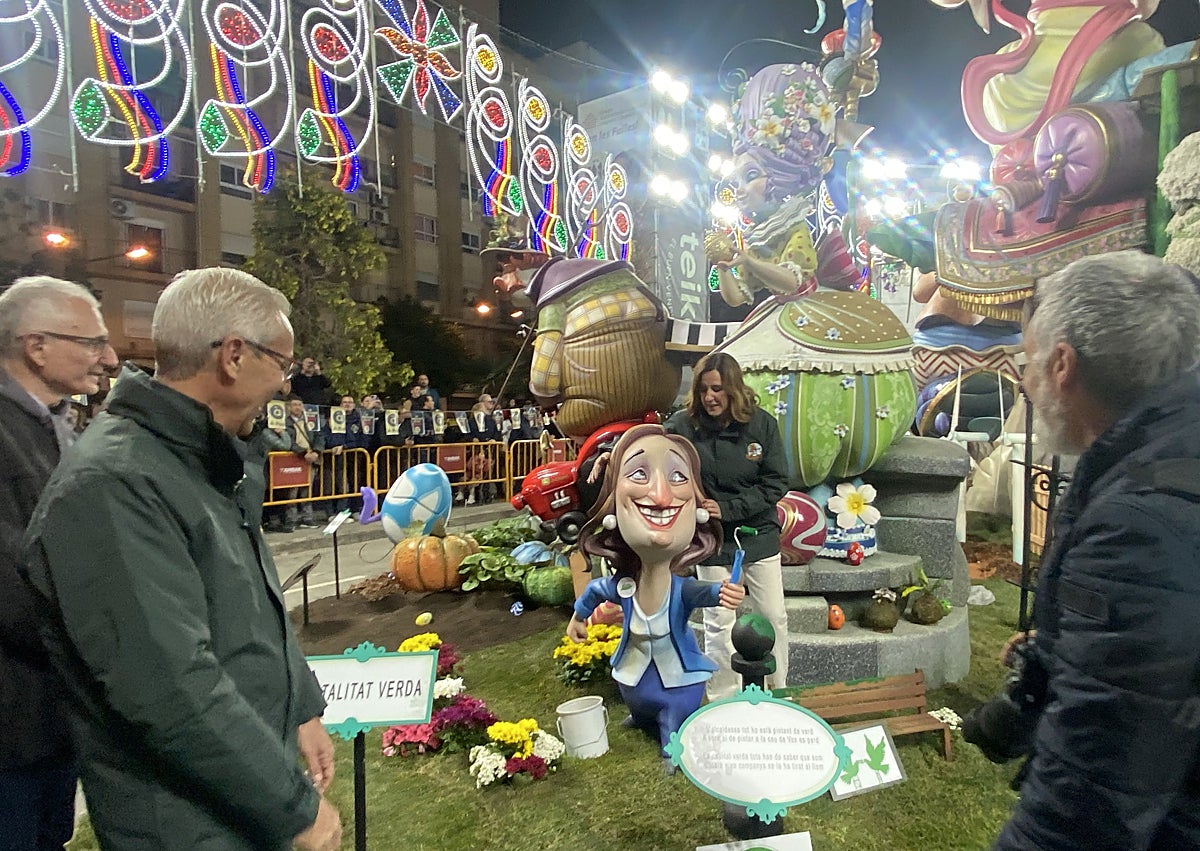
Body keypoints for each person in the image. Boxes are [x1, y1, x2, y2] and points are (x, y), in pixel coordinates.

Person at [19, 267, 342, 851]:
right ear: (234, 356)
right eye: (283, 364)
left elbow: (247, 604)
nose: (285, 384)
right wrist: (292, 808)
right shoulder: (113, 483)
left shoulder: (201, 456)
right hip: (183, 819)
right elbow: (167, 686)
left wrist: (300, 706)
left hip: (231, 797)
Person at [987, 251, 1200, 849]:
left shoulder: (1141, 523)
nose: (1026, 383)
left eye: (1027, 362)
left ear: (1062, 365)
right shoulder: (1156, 458)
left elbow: (1091, 794)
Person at [0, 276, 118, 851]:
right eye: (92, 342)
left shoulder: (59, 425)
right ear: (36, 345)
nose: (109, 357)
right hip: (12, 724)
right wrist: (102, 638)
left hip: (53, 715)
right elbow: (15, 588)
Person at [571, 424, 744, 769]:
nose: (662, 496)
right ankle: (641, 714)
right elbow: (594, 591)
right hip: (635, 674)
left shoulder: (680, 589)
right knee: (633, 690)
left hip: (676, 677)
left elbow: (704, 592)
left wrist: (723, 592)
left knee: (675, 705)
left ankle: (672, 736)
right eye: (638, 473)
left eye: (678, 477)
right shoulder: (624, 586)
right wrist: (578, 617)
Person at [665, 352, 791, 700]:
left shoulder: (761, 425)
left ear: (733, 389)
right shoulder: (682, 426)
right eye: (704, 389)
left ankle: (778, 692)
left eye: (717, 389)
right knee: (719, 623)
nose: (710, 397)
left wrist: (729, 508)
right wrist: (610, 456)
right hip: (712, 543)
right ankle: (723, 698)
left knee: (772, 616)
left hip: (758, 538)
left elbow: (776, 482)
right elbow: (651, 451)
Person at [321, 394, 368, 514]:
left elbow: (361, 440)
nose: (347, 404)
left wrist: (346, 447)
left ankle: (350, 510)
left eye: (350, 402)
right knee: (330, 487)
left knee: (350, 486)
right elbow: (323, 439)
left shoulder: (358, 420)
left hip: (353, 458)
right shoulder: (332, 420)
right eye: (344, 402)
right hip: (333, 460)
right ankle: (331, 513)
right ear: (340, 405)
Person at [284, 394, 324, 529]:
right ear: (289, 407)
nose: (297, 407)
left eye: (300, 405)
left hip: (310, 459)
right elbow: (288, 441)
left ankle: (307, 518)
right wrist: (303, 452)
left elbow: (319, 437)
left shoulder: (310, 422)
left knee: (307, 489)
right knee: (292, 491)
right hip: (294, 459)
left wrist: (316, 452)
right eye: (294, 405)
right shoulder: (285, 423)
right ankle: (291, 519)